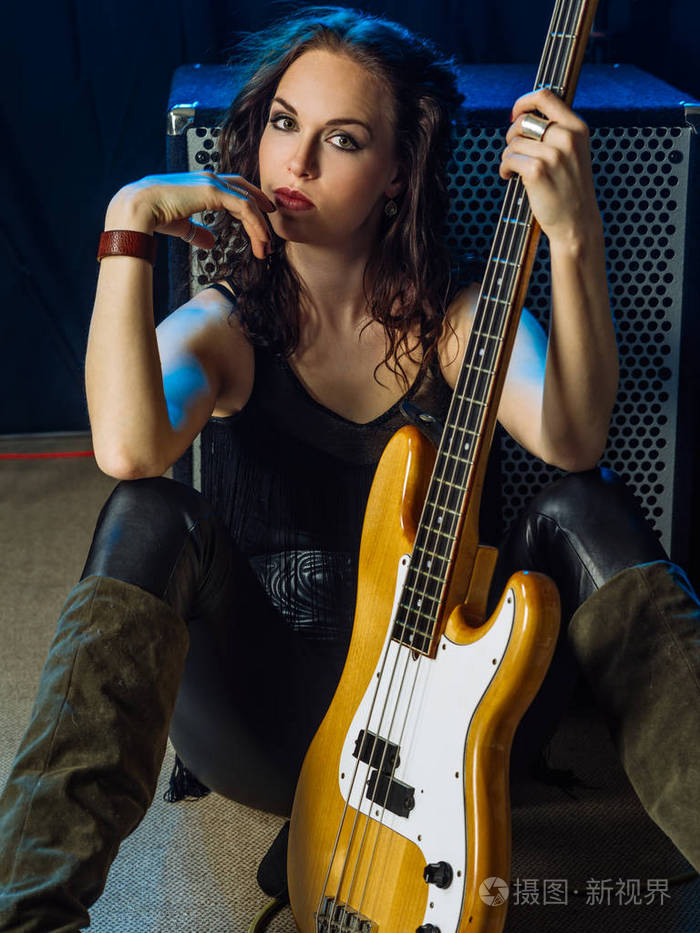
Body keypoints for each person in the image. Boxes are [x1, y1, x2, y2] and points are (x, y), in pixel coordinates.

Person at [0, 6, 698, 930]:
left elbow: (574, 438)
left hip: (454, 729)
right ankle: (27, 911)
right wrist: (126, 224)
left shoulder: (460, 318)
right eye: (284, 123)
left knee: (585, 503)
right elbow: (128, 448)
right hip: (271, 725)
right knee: (148, 512)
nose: (296, 162)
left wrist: (573, 237)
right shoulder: (226, 326)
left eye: (343, 139)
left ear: (398, 172)